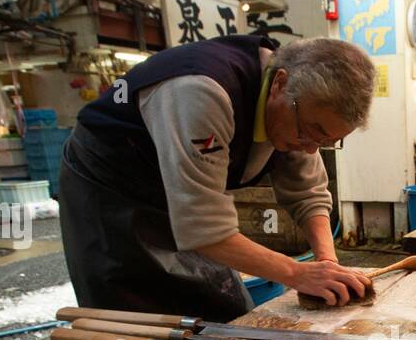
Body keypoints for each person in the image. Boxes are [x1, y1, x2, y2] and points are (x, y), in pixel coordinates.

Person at [59, 35, 376, 318]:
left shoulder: (296, 106)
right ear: (280, 84)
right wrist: (295, 272)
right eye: (310, 132)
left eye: (325, 141)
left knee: (226, 311)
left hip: (184, 197)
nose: (311, 149)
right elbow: (203, 228)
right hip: (110, 186)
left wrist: (327, 263)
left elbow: (308, 192)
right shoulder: (200, 91)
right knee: (135, 322)